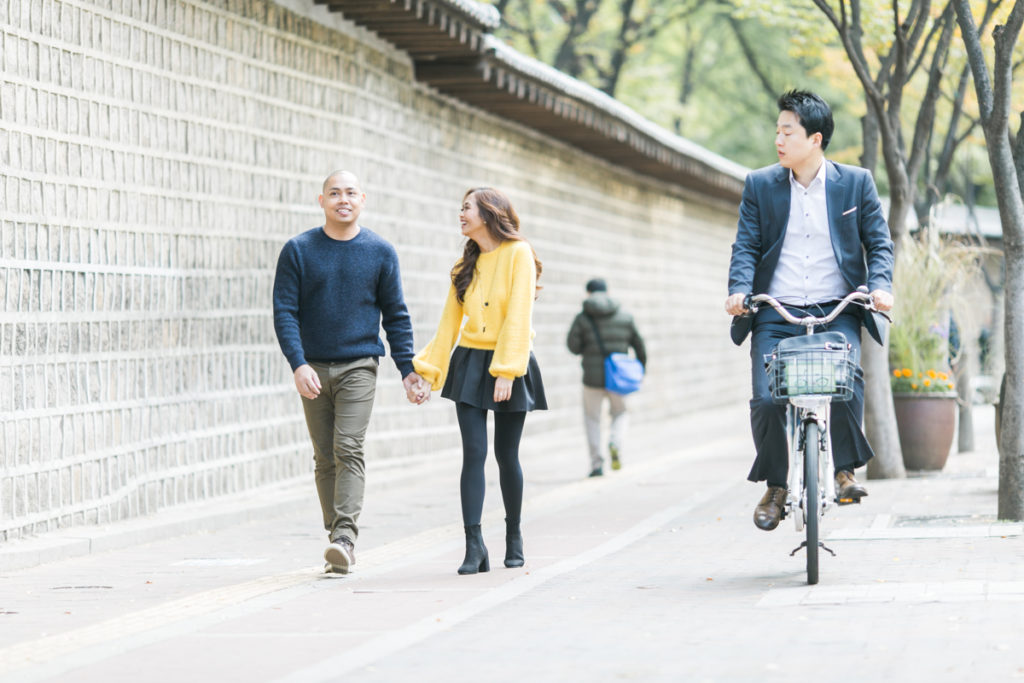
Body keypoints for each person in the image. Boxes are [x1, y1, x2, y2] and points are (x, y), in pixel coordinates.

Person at [725, 90, 895, 531]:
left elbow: (879, 243)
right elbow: (746, 245)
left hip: (836, 308)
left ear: (814, 139)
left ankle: (844, 472)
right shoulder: (760, 185)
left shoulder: (855, 183)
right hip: (775, 311)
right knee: (766, 399)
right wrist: (740, 291)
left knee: (846, 382)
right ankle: (776, 486)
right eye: (777, 130)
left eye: (787, 131)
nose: (778, 139)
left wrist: (879, 287)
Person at [273, 170, 426, 574]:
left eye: (351, 192)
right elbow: (285, 312)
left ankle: (345, 538)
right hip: (313, 367)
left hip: (359, 364)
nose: (344, 199)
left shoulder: (380, 252)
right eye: (335, 192)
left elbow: (396, 315)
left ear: (363, 200)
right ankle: (336, 541)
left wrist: (407, 369)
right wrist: (298, 363)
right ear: (320, 200)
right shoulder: (298, 250)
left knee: (348, 446)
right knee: (324, 457)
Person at [412, 187, 546, 575]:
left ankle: (514, 536)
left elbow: (519, 314)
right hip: (469, 362)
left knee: (507, 455)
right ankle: (474, 545)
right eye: (461, 208)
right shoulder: (462, 267)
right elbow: (447, 326)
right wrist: (427, 374)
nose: (461, 214)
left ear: (489, 213)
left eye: (466, 208)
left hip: (511, 361)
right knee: (473, 453)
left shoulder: (518, 254)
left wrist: (506, 369)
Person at [566, 278, 647, 478]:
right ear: (607, 292)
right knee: (620, 413)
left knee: (592, 419)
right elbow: (639, 346)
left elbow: (573, 347)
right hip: (618, 378)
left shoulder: (583, 318)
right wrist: (640, 369)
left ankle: (596, 464)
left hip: (592, 379)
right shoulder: (625, 316)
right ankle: (615, 442)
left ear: (588, 293)